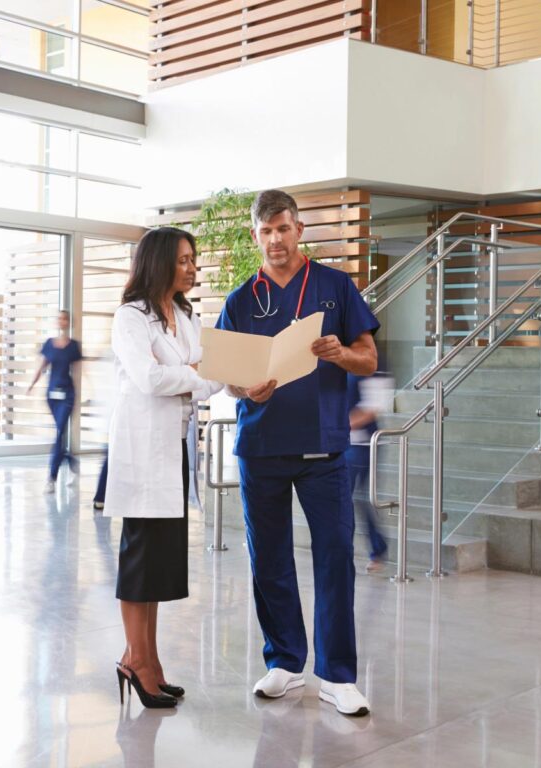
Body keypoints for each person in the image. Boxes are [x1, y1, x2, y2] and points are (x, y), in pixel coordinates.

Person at [216, 189, 379, 717]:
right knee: (269, 560)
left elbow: (369, 359)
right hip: (261, 446)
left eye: (283, 229)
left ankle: (337, 676)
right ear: (254, 236)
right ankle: (284, 662)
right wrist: (246, 389)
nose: (275, 240)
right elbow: (227, 376)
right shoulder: (242, 298)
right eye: (265, 232)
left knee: (335, 559)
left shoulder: (334, 287)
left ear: (299, 229)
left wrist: (342, 352)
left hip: (323, 448)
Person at [104, 226, 221, 709]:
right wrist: (194, 377)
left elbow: (209, 376)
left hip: (174, 451)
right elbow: (150, 379)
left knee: (158, 564)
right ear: (158, 262)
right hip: (142, 452)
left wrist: (194, 379)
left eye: (193, 259)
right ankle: (137, 660)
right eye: (183, 260)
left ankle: (146, 660)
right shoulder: (130, 317)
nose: (192, 267)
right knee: (139, 558)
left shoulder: (185, 316)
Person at [27, 310, 82, 493]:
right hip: (52, 395)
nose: (62, 322)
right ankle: (72, 463)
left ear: (69, 323)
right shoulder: (49, 344)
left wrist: (87, 391)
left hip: (67, 395)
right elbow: (42, 366)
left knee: (59, 434)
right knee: (59, 434)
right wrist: (31, 385)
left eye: (65, 318)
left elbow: (80, 371)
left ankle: (51, 477)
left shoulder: (74, 346)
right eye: (59, 318)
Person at [347, 369, 394, 573]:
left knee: (352, 499)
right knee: (353, 499)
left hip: (363, 445)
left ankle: (373, 549)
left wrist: (338, 425)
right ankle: (377, 548)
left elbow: (371, 410)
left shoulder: (375, 368)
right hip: (344, 443)